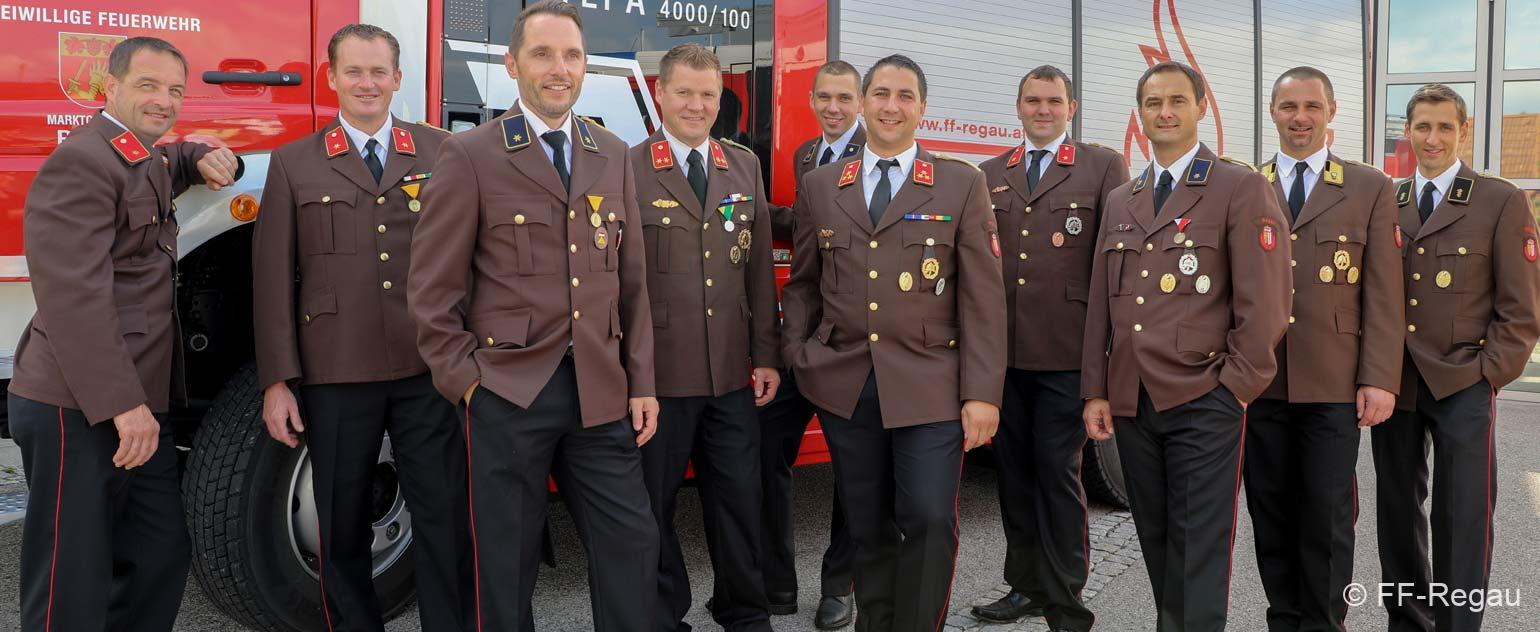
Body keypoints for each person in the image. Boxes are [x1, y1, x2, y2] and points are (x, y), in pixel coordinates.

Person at [406, 2, 661, 629]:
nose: (559, 69)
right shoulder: (470, 154)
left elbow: (632, 282)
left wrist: (642, 382)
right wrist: (469, 383)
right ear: (513, 64)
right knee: (504, 562)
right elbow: (433, 291)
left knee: (631, 544)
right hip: (508, 391)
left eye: (571, 55)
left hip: (600, 389)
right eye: (543, 54)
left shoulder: (612, 152)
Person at [6, 36, 240, 632]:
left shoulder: (141, 155)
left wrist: (201, 155)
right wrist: (123, 407)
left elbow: (164, 166)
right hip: (79, 404)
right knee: (72, 578)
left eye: (175, 90)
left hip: (137, 401)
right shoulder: (82, 162)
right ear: (109, 87)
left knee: (158, 554)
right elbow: (73, 300)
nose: (164, 100)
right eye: (147, 86)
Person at [252, 23, 470, 632]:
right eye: (354, 71)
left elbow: (471, 256)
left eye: (379, 72)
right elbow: (272, 280)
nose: (367, 83)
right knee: (341, 524)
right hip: (336, 372)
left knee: (444, 518)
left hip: (427, 368)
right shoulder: (294, 162)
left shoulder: (442, 152)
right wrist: (277, 382)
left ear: (398, 78)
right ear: (332, 78)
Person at [780, 54, 1007, 632]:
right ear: (863, 102)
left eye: (905, 95)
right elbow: (803, 284)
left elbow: (983, 299)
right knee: (867, 525)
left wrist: (983, 393)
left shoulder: (961, 184)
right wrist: (801, 356)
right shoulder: (822, 185)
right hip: (847, 385)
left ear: (922, 108)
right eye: (880, 93)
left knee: (929, 517)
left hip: (932, 384)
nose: (891, 106)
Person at [1080, 60, 1291, 632]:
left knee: (1198, 547)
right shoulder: (1122, 198)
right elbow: (1101, 302)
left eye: (1177, 101)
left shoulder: (1238, 187)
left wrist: (1235, 389)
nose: (1165, 112)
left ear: (1201, 107)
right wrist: (1096, 389)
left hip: (1204, 395)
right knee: (1156, 537)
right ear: (1140, 115)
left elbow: (1266, 302)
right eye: (1153, 103)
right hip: (1132, 400)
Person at [1372, 83, 1540, 632]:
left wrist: (1489, 375)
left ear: (1463, 131)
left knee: (1462, 515)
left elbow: (1521, 308)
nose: (1433, 138)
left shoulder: (1499, 200)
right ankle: (1407, 621)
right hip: (1396, 381)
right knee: (1398, 514)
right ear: (1407, 132)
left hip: (1464, 379)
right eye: (1422, 126)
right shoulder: (1388, 199)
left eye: (1445, 126)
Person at [1245, 66, 1404, 632]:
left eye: (1312, 106)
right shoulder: (1246, 185)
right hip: (1260, 381)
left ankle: (1323, 624)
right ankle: (1284, 620)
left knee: (1327, 516)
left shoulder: (1368, 187)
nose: (1300, 118)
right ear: (1273, 112)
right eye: (1289, 107)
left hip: (1333, 382)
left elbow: (1384, 293)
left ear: (1331, 112)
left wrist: (1379, 377)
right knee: (1269, 512)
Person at [971, 64, 1127, 632]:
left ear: (1071, 108)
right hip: (1004, 356)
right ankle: (1025, 586)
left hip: (1066, 354)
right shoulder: (990, 173)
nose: (1043, 110)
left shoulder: (1101, 166)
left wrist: (1105, 359)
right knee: (1013, 474)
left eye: (1053, 101)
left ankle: (1065, 600)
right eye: (1033, 100)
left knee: (1058, 473)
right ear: (1018, 107)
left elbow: (1114, 264)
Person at [629, 43, 780, 632]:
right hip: (660, 378)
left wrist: (765, 354)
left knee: (740, 502)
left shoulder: (743, 166)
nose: (696, 105)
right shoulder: (626, 166)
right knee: (653, 506)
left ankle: (745, 614)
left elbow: (758, 269)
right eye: (684, 92)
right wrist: (632, 374)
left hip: (729, 375)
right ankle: (664, 617)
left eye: (708, 94)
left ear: (722, 100)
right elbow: (621, 283)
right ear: (660, 93)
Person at [758, 59, 864, 629]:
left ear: (861, 102)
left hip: (850, 344)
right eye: (824, 97)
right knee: (761, 447)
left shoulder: (876, 155)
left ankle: (839, 586)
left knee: (852, 470)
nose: (833, 108)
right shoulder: (807, 155)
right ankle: (776, 583)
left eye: (844, 98)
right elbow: (806, 233)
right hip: (801, 339)